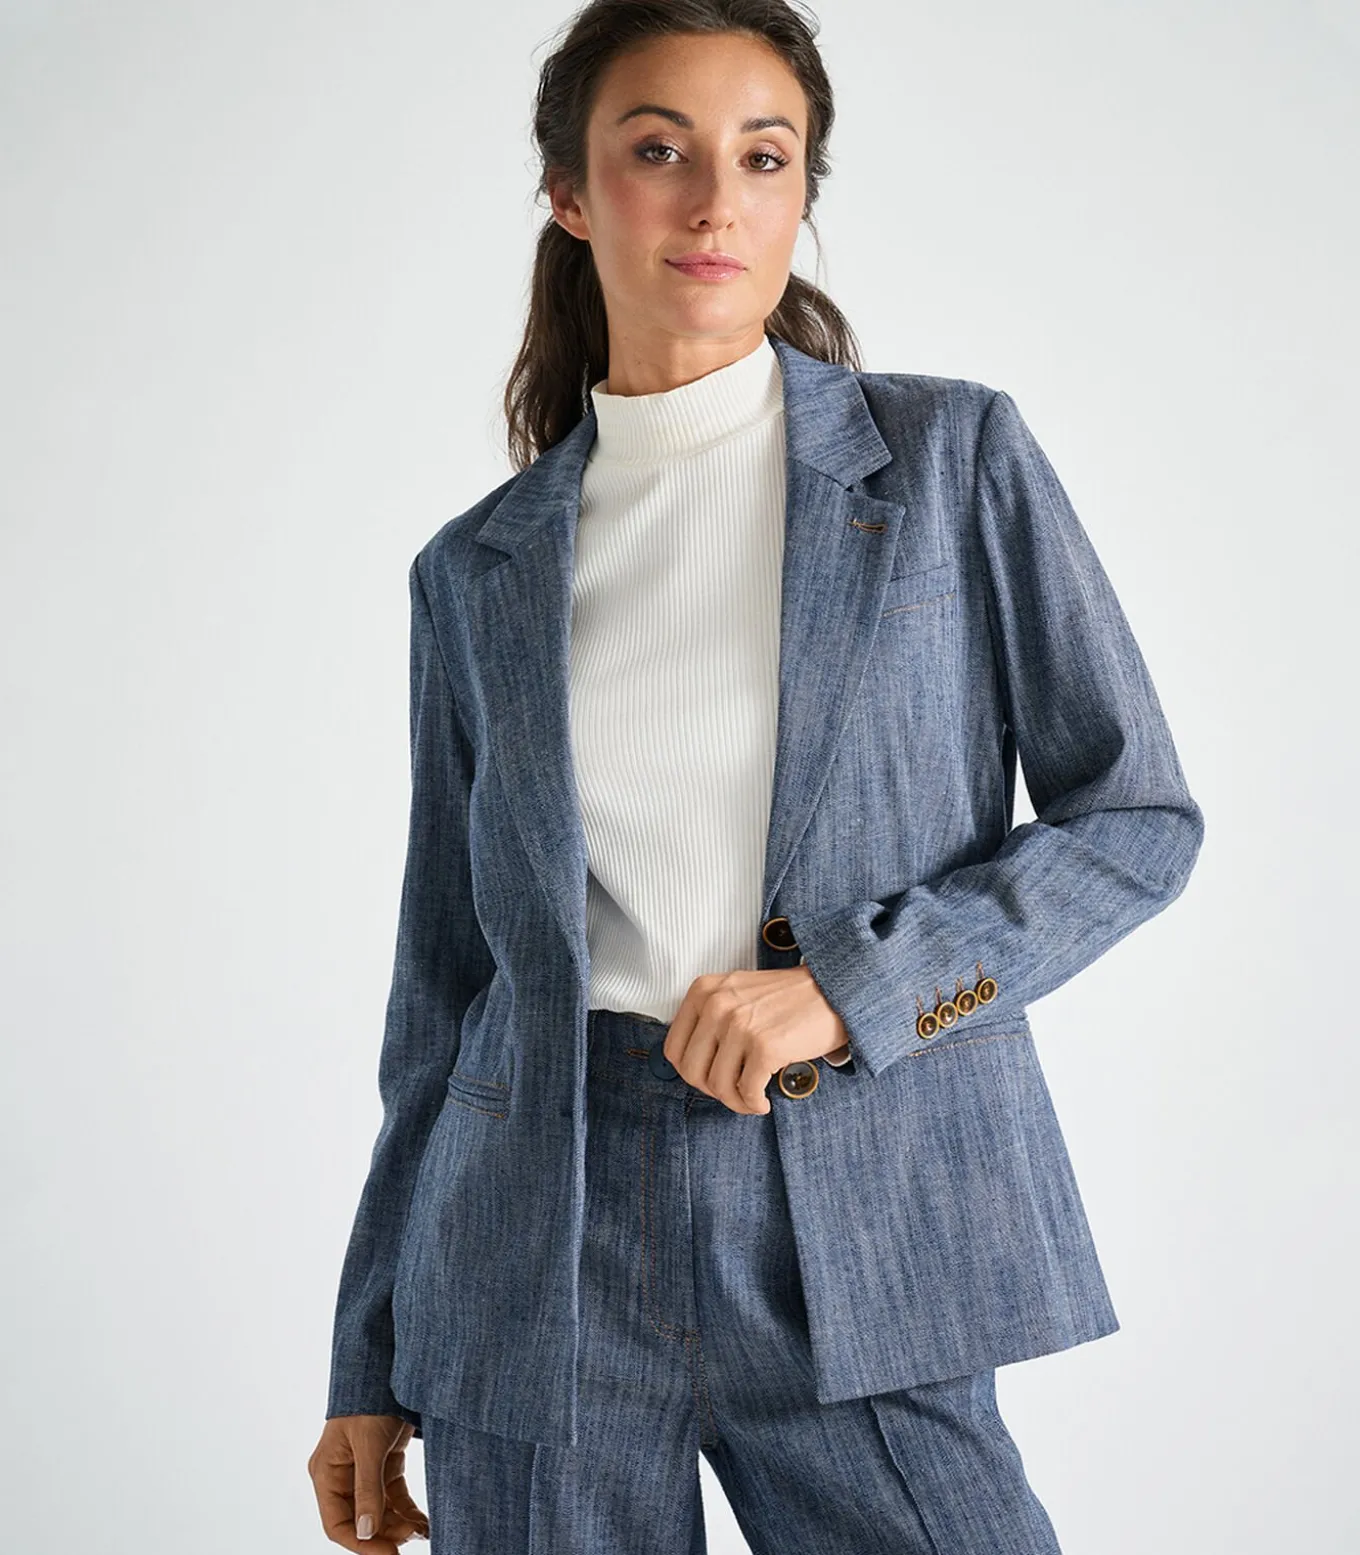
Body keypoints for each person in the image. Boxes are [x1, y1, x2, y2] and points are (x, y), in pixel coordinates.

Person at [307, 3, 1205, 1551]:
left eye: (764, 157)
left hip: (854, 1203)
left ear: (803, 193)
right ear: (572, 193)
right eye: (660, 151)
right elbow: (445, 987)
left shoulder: (951, 462)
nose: (716, 200)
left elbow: (1135, 823)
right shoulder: (477, 571)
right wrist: (367, 1354)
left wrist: (854, 986)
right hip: (535, 1247)